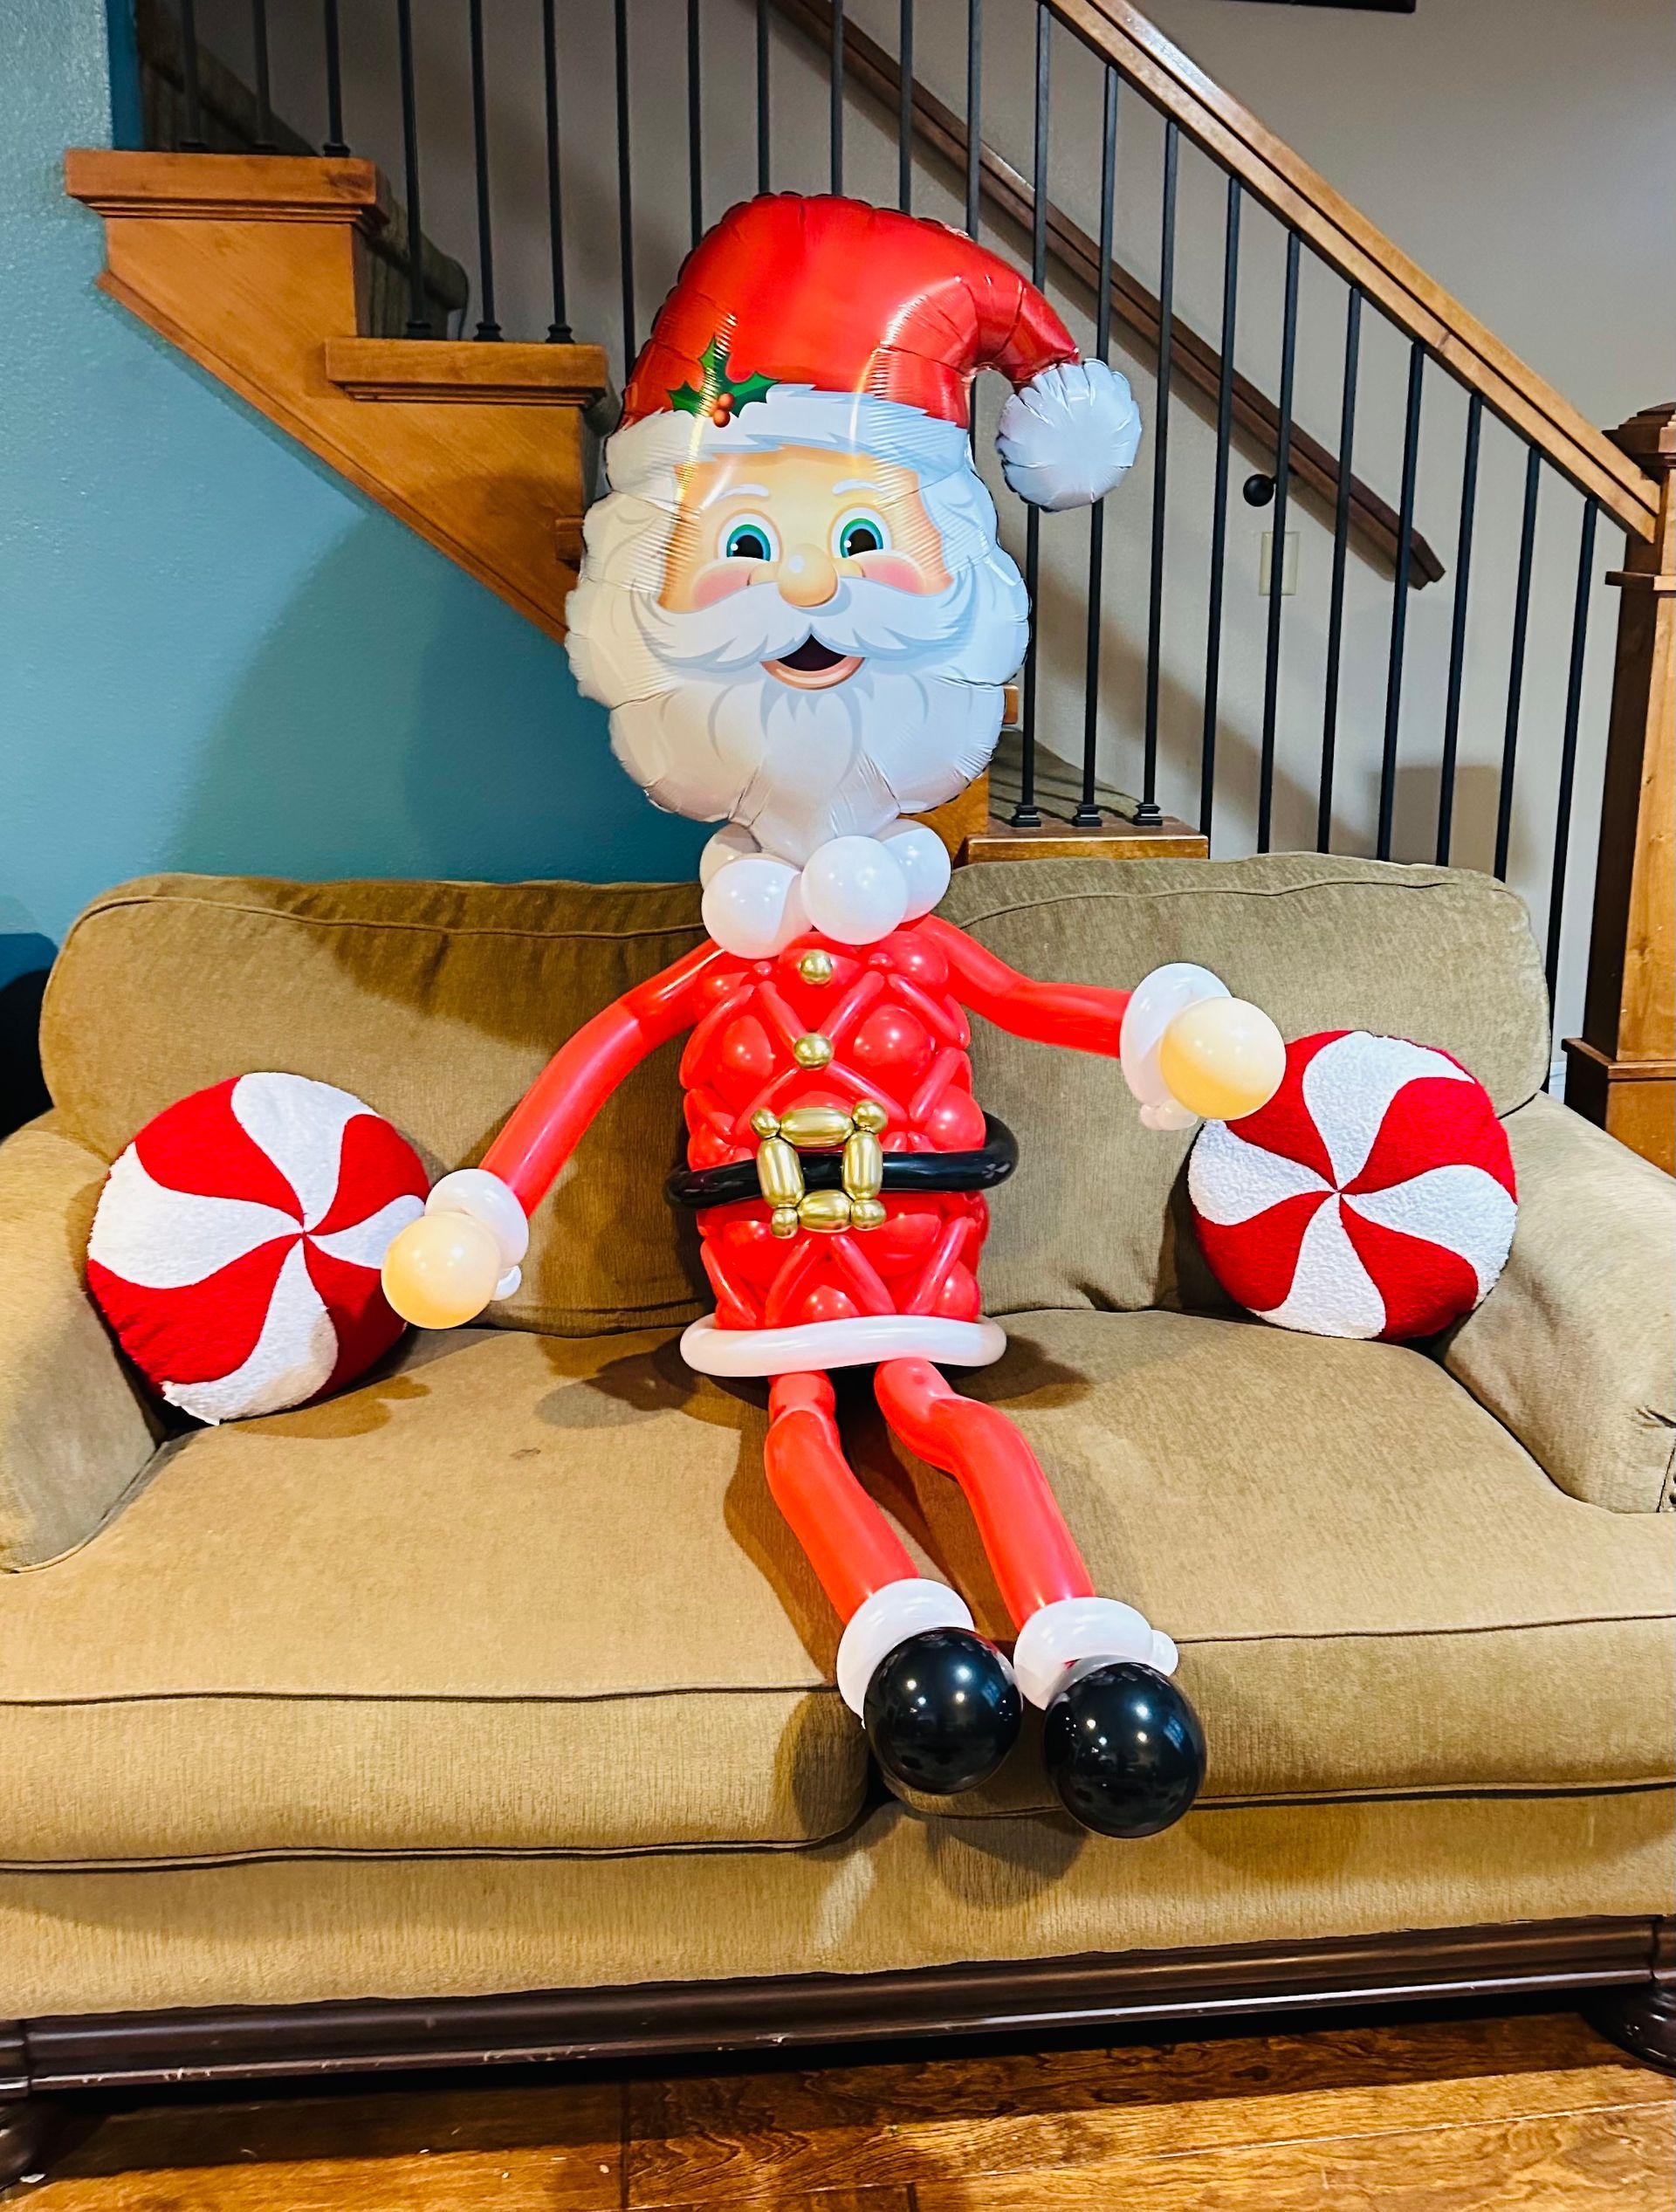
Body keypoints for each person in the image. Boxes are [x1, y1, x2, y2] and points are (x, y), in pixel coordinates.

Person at [381, 196, 1285, 1838]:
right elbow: (598, 1058)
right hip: (777, 1284)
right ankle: (904, 1639)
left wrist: (1162, 1032)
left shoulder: (917, 941)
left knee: (945, 1420)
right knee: (803, 1433)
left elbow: (1033, 1003)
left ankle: (1084, 1644)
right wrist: (490, 1203)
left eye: (861, 540)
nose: (803, 586)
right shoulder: (715, 959)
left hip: (919, 1268)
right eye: (744, 545)